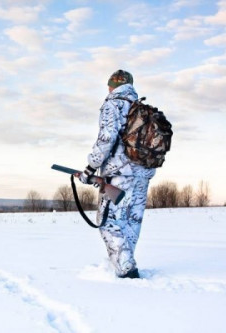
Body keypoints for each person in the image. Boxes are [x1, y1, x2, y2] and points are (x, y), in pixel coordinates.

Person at [78, 69, 155, 279]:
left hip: (119, 174)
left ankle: (125, 268)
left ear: (112, 85)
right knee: (132, 221)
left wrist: (90, 167)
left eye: (109, 85)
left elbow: (106, 139)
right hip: (144, 172)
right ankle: (126, 261)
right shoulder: (141, 108)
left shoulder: (113, 104)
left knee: (109, 222)